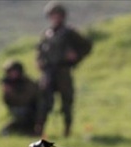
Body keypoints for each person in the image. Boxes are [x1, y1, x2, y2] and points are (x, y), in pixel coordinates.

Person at [35, 1, 92, 138]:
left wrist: (75, 56)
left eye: (57, 15)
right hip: (48, 72)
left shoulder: (69, 33)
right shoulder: (47, 34)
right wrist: (39, 61)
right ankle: (39, 130)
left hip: (63, 71)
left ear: (63, 16)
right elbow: (40, 50)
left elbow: (86, 46)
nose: (55, 18)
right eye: (52, 15)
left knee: (66, 102)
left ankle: (67, 130)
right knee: (44, 102)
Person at [0, 60, 40, 136]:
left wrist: (11, 93)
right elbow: (7, 102)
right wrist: (6, 93)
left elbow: (25, 100)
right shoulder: (10, 83)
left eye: (14, 71)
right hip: (18, 111)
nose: (12, 74)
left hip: (31, 112)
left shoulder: (29, 83)